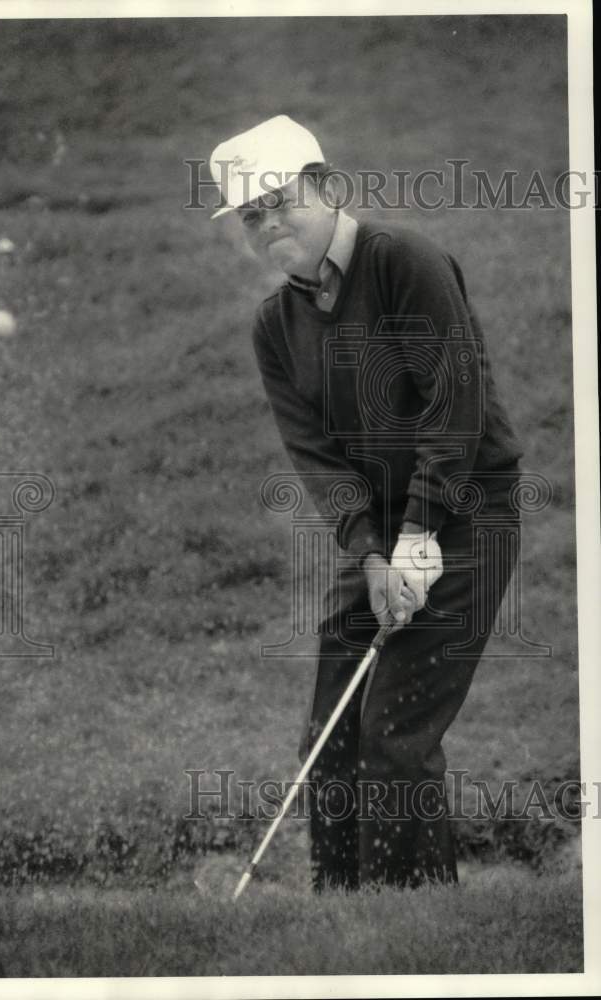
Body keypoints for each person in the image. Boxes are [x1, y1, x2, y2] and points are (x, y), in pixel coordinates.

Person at [209, 115, 523, 891]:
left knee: (395, 728)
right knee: (334, 732)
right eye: (252, 214)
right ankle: (344, 912)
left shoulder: (403, 262)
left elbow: (454, 401)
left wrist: (419, 536)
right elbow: (315, 458)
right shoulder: (274, 324)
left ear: (325, 188)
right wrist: (373, 554)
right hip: (379, 536)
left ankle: (410, 913)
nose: (269, 222)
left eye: (280, 200)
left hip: (465, 513)